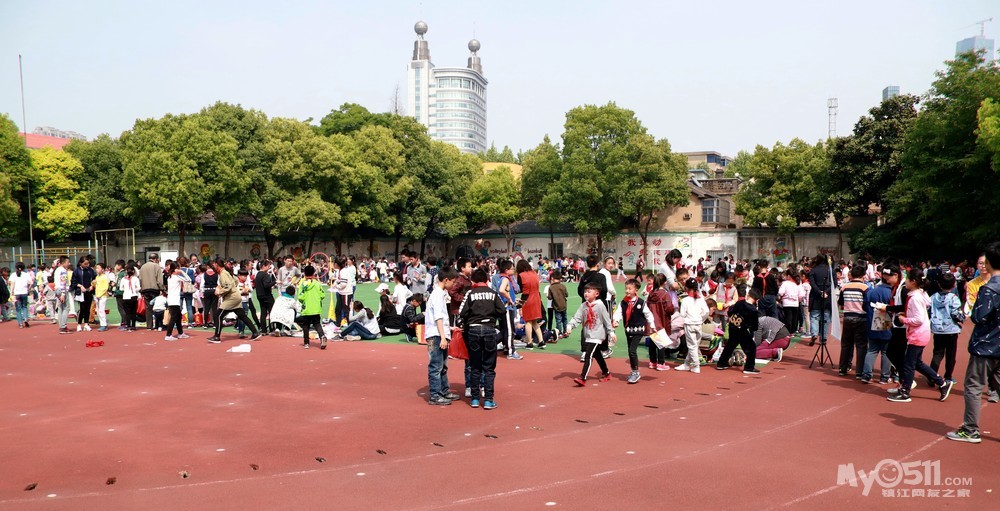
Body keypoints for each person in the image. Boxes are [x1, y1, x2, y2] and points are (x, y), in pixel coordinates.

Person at [947, 241, 1000, 443]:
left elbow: (978, 316)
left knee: (973, 387)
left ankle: (970, 430)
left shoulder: (989, 289)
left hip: (986, 346)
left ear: (989, 263)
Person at [884, 269, 954, 403]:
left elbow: (918, 319)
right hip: (920, 333)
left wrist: (904, 319)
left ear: (913, 282)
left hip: (917, 334)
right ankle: (942, 383)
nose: (905, 281)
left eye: (907, 279)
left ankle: (905, 391)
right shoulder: (920, 293)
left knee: (909, 364)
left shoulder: (915, 297)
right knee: (917, 363)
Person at [457, 268, 506, 409]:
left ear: (473, 280)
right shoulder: (493, 293)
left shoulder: (470, 293)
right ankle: (489, 400)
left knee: (475, 366)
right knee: (489, 367)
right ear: (486, 279)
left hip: (473, 330)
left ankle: (474, 399)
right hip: (490, 329)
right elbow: (502, 310)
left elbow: (462, 312)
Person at [565, 283, 616, 386]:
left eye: (589, 291)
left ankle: (582, 377)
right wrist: (570, 326)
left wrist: (611, 332)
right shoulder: (583, 305)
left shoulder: (600, 306)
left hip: (597, 335)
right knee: (597, 354)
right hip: (588, 335)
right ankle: (606, 373)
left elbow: (606, 320)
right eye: (585, 291)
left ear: (596, 294)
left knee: (588, 355)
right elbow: (577, 317)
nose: (586, 293)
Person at [207, 259, 262, 344]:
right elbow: (235, 280)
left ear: (217, 265)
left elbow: (228, 287)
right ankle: (255, 332)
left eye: (214, 265)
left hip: (231, 298)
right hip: (236, 297)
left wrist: (219, 292)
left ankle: (217, 336)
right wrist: (234, 288)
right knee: (242, 316)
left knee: (218, 315)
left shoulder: (223, 274)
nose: (213, 266)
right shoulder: (225, 273)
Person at [425, 267, 458, 406]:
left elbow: (439, 317)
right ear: (446, 280)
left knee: (443, 366)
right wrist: (443, 337)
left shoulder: (439, 293)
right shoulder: (437, 295)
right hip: (436, 335)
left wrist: (449, 328)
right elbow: (438, 317)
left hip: (439, 333)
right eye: (453, 282)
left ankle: (443, 390)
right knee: (436, 366)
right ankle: (435, 395)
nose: (454, 285)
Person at [612, 278, 656, 384]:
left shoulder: (641, 302)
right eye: (626, 288)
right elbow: (618, 313)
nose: (627, 291)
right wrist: (616, 320)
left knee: (632, 350)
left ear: (636, 290)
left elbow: (648, 314)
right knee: (630, 351)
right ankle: (633, 371)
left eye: (629, 289)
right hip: (628, 330)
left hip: (638, 330)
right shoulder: (623, 302)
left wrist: (652, 325)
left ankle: (636, 372)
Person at [861, 266, 895, 385]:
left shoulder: (871, 291)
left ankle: (867, 375)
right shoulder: (891, 292)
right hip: (886, 323)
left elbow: (864, 306)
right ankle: (884, 377)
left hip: (873, 322)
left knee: (872, 350)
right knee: (885, 351)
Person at [929, 273, 963, 385]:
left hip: (937, 329)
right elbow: (956, 314)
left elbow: (928, 310)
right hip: (951, 330)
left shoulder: (933, 297)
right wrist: (963, 317)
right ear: (953, 285)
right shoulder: (954, 298)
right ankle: (948, 377)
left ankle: (932, 376)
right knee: (950, 355)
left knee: (937, 353)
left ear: (939, 284)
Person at [717, 286, 760, 374]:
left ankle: (722, 363)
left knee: (730, 345)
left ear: (748, 295)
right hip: (742, 330)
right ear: (757, 299)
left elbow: (730, 312)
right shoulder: (753, 310)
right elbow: (754, 326)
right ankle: (749, 367)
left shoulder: (740, 303)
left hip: (732, 326)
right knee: (751, 347)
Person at [838, 265, 869, 377]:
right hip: (861, 318)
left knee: (846, 344)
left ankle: (843, 368)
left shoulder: (844, 287)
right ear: (862, 275)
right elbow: (867, 304)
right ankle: (859, 371)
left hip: (847, 317)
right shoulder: (865, 288)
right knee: (861, 345)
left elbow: (841, 302)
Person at [646, 273, 675, 371]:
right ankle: (661, 363)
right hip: (661, 320)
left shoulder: (651, 293)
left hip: (651, 320)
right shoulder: (665, 294)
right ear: (665, 282)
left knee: (652, 341)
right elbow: (669, 309)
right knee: (661, 342)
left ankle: (652, 362)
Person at [495, 260, 523, 360]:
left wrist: (514, 299)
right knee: (510, 330)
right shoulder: (505, 279)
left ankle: (493, 346)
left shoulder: (503, 278)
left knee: (504, 331)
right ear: (507, 270)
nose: (514, 270)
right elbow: (501, 290)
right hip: (507, 308)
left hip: (506, 307)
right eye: (512, 269)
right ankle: (511, 352)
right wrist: (510, 299)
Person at [295, 265, 327, 349]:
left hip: (306, 308)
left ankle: (306, 343)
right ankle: (322, 336)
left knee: (306, 325)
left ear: (305, 274)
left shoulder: (303, 284)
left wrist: (304, 301)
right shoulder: (317, 283)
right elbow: (322, 295)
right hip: (316, 308)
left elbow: (300, 297)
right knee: (317, 324)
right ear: (313, 273)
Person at [516, 259, 545, 350]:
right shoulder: (534, 273)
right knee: (534, 321)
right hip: (537, 297)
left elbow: (521, 289)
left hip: (527, 298)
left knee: (528, 321)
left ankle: (529, 343)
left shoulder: (521, 275)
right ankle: (541, 341)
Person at [807, 254, 832, 346]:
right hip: (827, 297)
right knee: (826, 318)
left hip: (815, 296)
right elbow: (834, 283)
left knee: (814, 316)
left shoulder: (813, 270)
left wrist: (819, 291)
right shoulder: (830, 270)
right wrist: (826, 292)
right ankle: (823, 338)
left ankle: (814, 333)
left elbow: (812, 283)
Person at [163, 261, 191, 341]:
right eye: (179, 268)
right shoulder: (176, 277)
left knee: (178, 317)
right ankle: (168, 335)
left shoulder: (170, 277)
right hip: (174, 301)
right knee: (174, 318)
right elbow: (188, 279)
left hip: (171, 300)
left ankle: (180, 333)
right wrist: (182, 272)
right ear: (176, 269)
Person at [70, 256, 97, 332]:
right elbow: (73, 282)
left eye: (88, 264)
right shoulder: (76, 271)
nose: (87, 265)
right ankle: (79, 324)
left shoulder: (90, 270)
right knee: (82, 309)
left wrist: (92, 286)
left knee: (88, 309)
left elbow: (95, 279)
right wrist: (80, 286)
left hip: (89, 291)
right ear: (80, 263)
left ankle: (86, 324)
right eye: (85, 264)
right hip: (81, 292)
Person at [139, 253, 164, 330]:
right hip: (154, 289)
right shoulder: (156, 266)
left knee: (148, 308)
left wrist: (142, 288)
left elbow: (140, 279)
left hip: (145, 289)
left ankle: (149, 326)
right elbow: (159, 280)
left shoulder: (143, 267)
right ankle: (157, 325)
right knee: (157, 307)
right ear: (156, 259)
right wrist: (161, 289)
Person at [254, 260, 276, 334]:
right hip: (267, 295)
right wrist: (275, 282)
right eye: (268, 266)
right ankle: (272, 329)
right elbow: (266, 285)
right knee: (271, 312)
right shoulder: (265, 275)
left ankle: (264, 330)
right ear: (264, 266)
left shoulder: (258, 274)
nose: (269, 268)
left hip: (259, 295)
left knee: (263, 313)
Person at [10, 262, 33, 329]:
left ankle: (20, 323)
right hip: (24, 292)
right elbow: (31, 283)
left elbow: (12, 284)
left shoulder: (13, 275)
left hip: (17, 293)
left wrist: (11, 293)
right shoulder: (26, 274)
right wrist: (28, 289)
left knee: (18, 309)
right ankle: (25, 318)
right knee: (24, 307)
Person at [53, 256, 72, 334]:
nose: (68, 264)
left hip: (57, 289)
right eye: (67, 262)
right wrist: (63, 294)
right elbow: (63, 282)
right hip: (62, 290)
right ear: (63, 263)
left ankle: (61, 325)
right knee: (66, 308)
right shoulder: (63, 270)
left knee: (60, 308)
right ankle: (63, 326)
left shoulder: (57, 270)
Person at [119, 264, 141, 332]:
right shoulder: (135, 278)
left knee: (127, 312)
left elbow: (121, 288)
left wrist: (126, 289)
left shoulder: (123, 279)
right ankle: (133, 326)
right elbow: (139, 288)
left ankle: (128, 326)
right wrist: (134, 289)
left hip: (126, 297)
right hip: (134, 296)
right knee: (133, 312)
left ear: (126, 271)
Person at [547, 271, 569, 337]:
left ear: (553, 278)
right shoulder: (563, 286)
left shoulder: (551, 287)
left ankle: (559, 333)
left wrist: (548, 296)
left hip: (556, 306)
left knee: (558, 320)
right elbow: (566, 294)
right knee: (565, 319)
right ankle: (566, 331)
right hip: (564, 305)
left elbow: (550, 298)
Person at [91, 263, 111, 332]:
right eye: (96, 268)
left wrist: (99, 295)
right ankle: (103, 323)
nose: (96, 269)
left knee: (101, 310)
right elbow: (95, 285)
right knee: (98, 311)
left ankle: (104, 325)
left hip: (102, 296)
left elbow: (105, 287)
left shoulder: (104, 277)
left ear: (102, 269)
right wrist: (93, 283)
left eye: (98, 268)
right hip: (97, 296)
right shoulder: (97, 277)